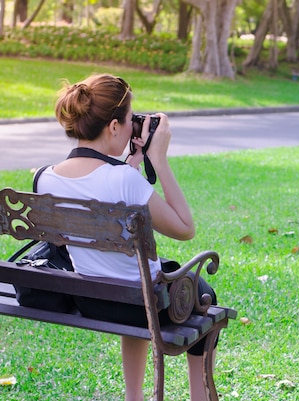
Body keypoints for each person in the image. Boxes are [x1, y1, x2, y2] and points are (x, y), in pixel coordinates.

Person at [38, 73, 215, 401]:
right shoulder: (123, 180)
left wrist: (131, 165)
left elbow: (100, 188)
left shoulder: (45, 178)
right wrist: (157, 160)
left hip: (91, 299)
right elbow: (185, 228)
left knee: (136, 286)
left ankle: (134, 397)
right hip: (143, 305)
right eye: (131, 119)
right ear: (115, 127)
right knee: (202, 292)